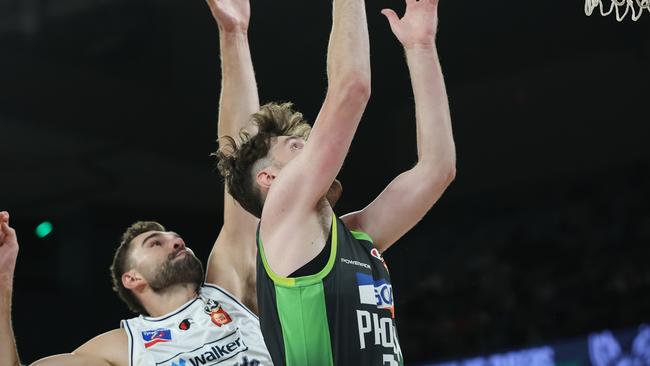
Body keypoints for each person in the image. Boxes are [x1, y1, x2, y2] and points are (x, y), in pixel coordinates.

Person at [0, 0, 277, 364]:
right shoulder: (119, 349)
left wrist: (234, 34)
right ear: (132, 278)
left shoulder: (230, 285)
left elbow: (240, 157)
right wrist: (3, 285)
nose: (175, 239)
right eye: (155, 242)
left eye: (170, 236)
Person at [216, 0, 455, 363]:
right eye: (297, 147)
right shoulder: (281, 219)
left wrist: (420, 46)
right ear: (270, 178)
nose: (315, 150)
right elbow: (351, 87)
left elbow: (437, 169)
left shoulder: (355, 236)